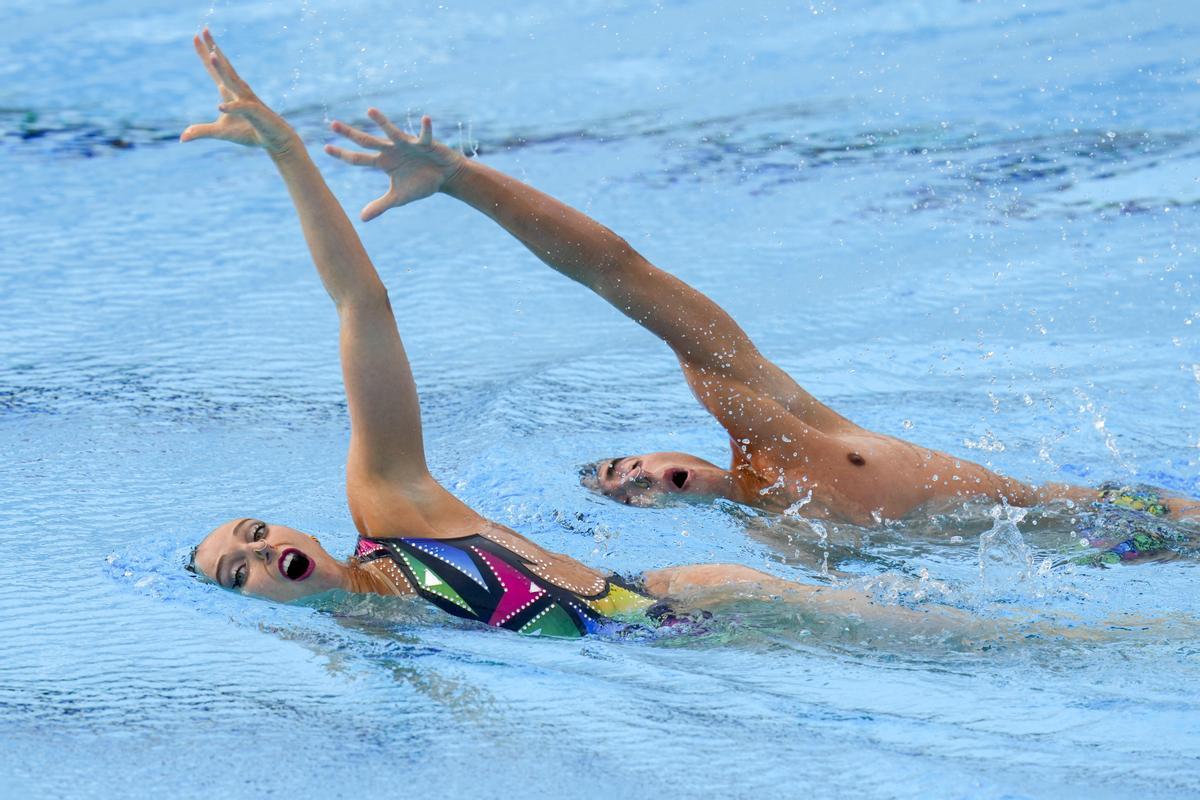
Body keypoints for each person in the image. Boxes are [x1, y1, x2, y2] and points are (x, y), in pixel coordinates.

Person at [182, 31, 969, 638]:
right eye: (236, 574)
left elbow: (362, 304)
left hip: (671, 608)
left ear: (297, 531)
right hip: (658, 645)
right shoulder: (377, 640)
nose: (257, 553)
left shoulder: (393, 510)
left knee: (972, 641)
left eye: (253, 535)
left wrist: (288, 152)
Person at [322, 79, 1200, 550]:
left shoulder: (758, 415)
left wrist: (464, 180)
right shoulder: (783, 547)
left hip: (1123, 514)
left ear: (669, 449)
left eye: (628, 462)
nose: (637, 479)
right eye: (626, 491)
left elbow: (616, 270)